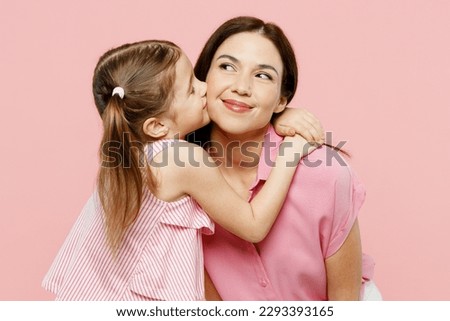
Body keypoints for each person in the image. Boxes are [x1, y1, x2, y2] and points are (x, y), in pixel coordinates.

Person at [42, 40, 322, 301]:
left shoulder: (127, 154)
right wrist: (289, 153)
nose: (204, 88)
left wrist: (280, 113)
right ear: (157, 126)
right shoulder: (181, 158)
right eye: (191, 89)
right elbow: (252, 225)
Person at [187, 16, 381, 300]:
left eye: (263, 75)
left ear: (281, 98)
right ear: (203, 80)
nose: (241, 86)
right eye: (227, 66)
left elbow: (346, 304)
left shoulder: (324, 175)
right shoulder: (177, 181)